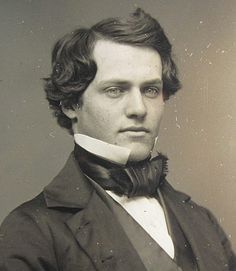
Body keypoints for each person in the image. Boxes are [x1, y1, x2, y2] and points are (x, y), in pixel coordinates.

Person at [0, 8, 235, 271]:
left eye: (150, 90)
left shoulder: (202, 221)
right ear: (70, 103)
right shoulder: (31, 232)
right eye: (115, 90)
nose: (139, 108)